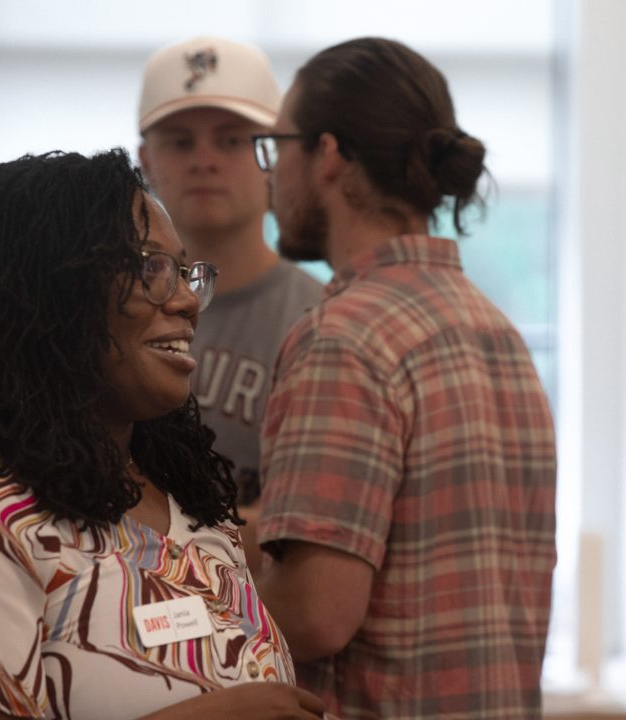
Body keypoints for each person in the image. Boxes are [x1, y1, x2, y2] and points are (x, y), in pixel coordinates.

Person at [0, 149, 324, 720]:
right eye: (150, 268)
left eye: (184, 271)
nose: (189, 301)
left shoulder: (195, 512)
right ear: (45, 293)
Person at [249, 37, 557, 719]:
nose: (269, 176)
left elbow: (318, 613)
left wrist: (183, 595)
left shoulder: (342, 339)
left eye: (276, 147)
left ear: (329, 155)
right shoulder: (499, 335)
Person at [138, 36, 324, 516]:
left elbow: (317, 521)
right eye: (181, 142)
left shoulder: (321, 319)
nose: (205, 160)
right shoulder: (110, 315)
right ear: (145, 160)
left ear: (272, 156)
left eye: (231, 140)